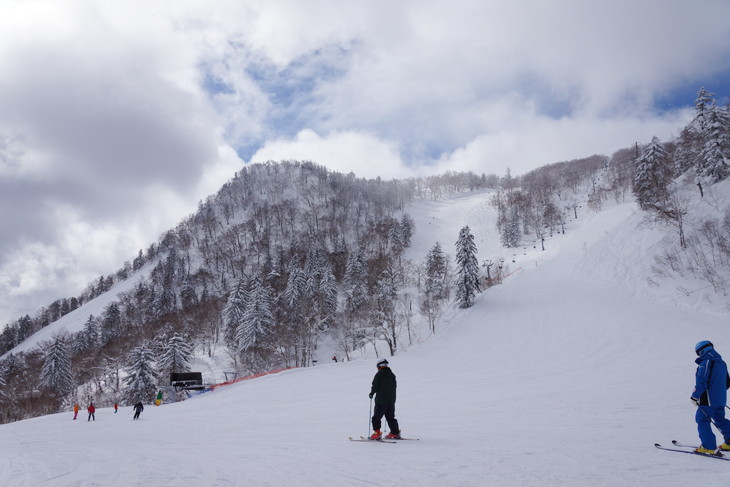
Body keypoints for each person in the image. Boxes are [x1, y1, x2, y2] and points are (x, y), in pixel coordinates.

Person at [691, 341, 730, 454]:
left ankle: (708, 447)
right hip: (720, 399)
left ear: (702, 350)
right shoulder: (722, 363)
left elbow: (701, 381)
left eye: (697, 353)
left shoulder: (706, 362)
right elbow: (727, 382)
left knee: (702, 419)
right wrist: (718, 394)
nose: (698, 355)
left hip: (707, 399)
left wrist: (695, 396)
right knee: (720, 419)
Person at [369, 358, 401, 440]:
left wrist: (372, 393)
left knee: (376, 417)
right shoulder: (392, 374)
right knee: (390, 417)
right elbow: (394, 386)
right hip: (391, 401)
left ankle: (377, 433)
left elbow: (375, 385)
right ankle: (395, 432)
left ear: (379, 366)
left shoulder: (379, 374)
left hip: (381, 401)